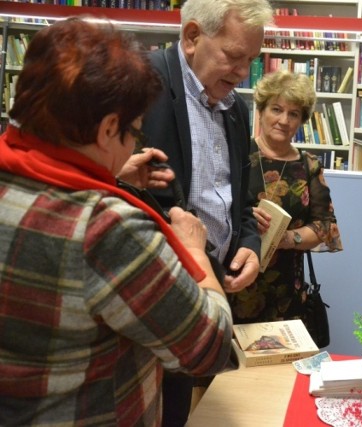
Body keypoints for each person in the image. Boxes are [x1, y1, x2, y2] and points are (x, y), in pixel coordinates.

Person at [0, 18, 234, 426]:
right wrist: (195, 251)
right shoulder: (108, 229)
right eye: (133, 133)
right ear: (109, 128)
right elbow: (209, 348)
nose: (133, 143)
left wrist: (111, 172)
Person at [139, 0, 273, 423]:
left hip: (205, 288)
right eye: (234, 57)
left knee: (177, 411)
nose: (242, 73)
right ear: (193, 36)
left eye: (251, 61)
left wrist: (248, 243)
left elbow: (243, 197)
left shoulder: (237, 109)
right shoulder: (141, 83)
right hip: (145, 293)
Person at [229, 70, 342, 333]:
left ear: (301, 120)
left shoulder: (309, 165)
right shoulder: (237, 153)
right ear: (261, 111)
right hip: (235, 280)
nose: (283, 120)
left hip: (287, 291)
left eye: (293, 114)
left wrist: (286, 238)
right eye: (276, 109)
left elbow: (326, 227)